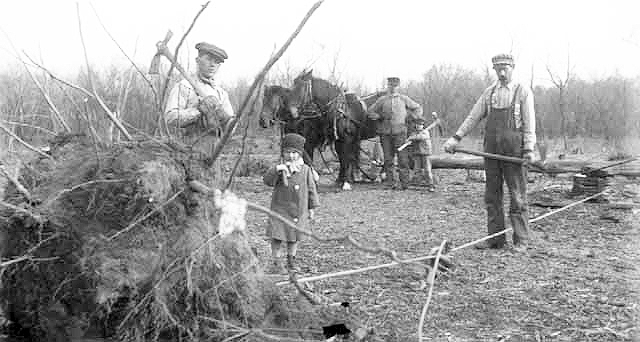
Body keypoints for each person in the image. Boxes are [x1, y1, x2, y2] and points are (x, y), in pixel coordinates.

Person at [443, 53, 536, 253]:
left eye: (505, 68)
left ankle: (522, 239)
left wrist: (529, 149)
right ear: (494, 70)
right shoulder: (489, 93)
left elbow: (530, 125)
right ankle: (495, 239)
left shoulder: (522, 92)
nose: (502, 73)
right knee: (492, 195)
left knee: (517, 196)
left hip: (514, 152)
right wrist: (456, 138)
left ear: (513, 68)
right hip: (492, 150)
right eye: (498, 69)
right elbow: (472, 117)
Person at [263, 133, 320, 274]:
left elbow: (311, 189)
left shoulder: (306, 170)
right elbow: (268, 181)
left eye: (295, 152)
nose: (292, 156)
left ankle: (291, 260)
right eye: (288, 152)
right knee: (277, 236)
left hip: (299, 210)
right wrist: (276, 170)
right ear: (283, 153)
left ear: (300, 154)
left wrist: (311, 208)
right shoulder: (280, 168)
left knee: (294, 237)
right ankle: (276, 261)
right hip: (280, 209)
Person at [164, 42, 235, 145]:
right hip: (186, 146)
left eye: (216, 62)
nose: (212, 65)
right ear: (198, 61)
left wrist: (224, 118)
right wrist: (197, 111)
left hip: (214, 150)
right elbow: (170, 117)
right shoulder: (184, 86)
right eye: (209, 59)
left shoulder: (221, 93)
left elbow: (230, 128)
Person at [367, 77, 423, 190]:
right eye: (390, 85)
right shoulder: (382, 100)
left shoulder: (404, 99)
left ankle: (405, 183)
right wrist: (378, 117)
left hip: (400, 133)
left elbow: (418, 108)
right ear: (388, 86)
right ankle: (390, 183)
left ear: (398, 87)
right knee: (388, 159)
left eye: (395, 86)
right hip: (385, 134)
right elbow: (370, 111)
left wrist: (412, 117)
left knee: (403, 159)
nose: (392, 88)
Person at [407, 117, 435, 191]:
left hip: (426, 153)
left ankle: (430, 184)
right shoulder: (413, 133)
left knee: (427, 170)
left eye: (420, 124)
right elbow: (412, 139)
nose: (419, 126)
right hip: (417, 153)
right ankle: (417, 183)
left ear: (423, 125)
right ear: (415, 125)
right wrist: (408, 140)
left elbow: (420, 137)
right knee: (417, 169)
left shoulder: (425, 132)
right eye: (417, 124)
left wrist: (412, 138)